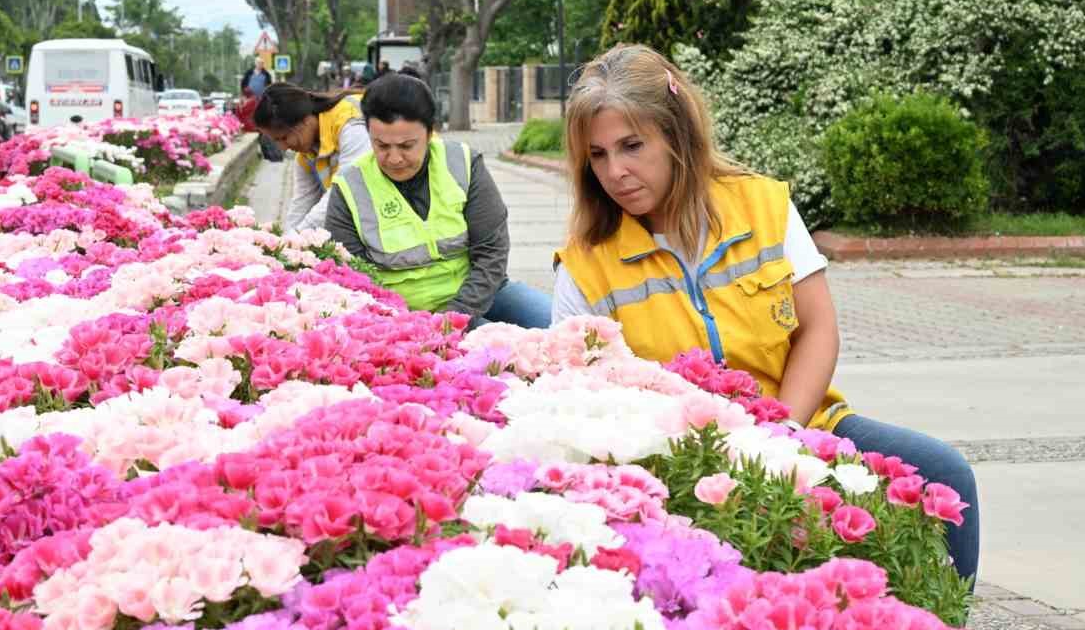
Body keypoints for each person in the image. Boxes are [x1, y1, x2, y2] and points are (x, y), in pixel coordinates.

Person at [552, 44, 980, 585]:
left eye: (632, 146)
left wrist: (784, 437)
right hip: (679, 464)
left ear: (676, 133)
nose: (616, 171)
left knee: (946, 473)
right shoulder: (585, 263)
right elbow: (580, 400)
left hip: (801, 425)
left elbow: (818, 328)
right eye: (598, 155)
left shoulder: (762, 204)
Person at [326, 73, 551, 329]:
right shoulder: (349, 187)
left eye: (407, 145)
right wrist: (409, 323)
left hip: (482, 294)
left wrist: (457, 316)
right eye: (382, 146)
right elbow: (355, 277)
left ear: (431, 132)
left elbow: (491, 252)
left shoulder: (464, 163)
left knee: (563, 328)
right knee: (496, 353)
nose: (395, 158)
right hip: (401, 315)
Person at [253, 83, 372, 233]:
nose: (283, 148)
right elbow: (302, 202)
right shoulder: (306, 156)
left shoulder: (352, 127)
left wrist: (297, 237)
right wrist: (287, 242)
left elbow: (344, 192)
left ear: (305, 121)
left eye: (284, 138)